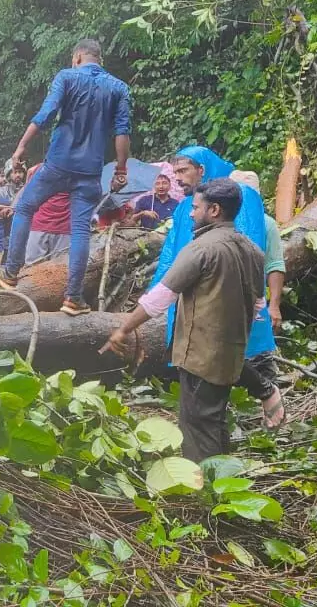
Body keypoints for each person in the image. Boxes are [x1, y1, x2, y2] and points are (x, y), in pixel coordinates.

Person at [101, 179, 269, 462]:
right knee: (214, 421)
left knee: (196, 428)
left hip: (200, 356)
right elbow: (257, 305)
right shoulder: (253, 251)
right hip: (231, 355)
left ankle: (205, 493)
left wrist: (125, 329)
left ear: (214, 210)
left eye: (195, 207)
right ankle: (227, 486)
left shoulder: (201, 249)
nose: (191, 213)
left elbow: (161, 296)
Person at [154, 147, 285, 428]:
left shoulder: (240, 202)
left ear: (201, 169)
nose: (176, 178)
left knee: (231, 358)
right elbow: (171, 256)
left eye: (182, 171)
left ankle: (262, 404)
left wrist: (265, 302)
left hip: (220, 300)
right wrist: (158, 296)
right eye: (174, 171)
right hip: (198, 300)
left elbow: (253, 255)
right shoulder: (185, 208)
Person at [3, 39, 132, 316]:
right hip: (90, 173)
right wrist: (121, 169)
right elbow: (122, 131)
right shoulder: (119, 88)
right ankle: (73, 298)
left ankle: (11, 271)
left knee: (25, 206)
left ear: (77, 57)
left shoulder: (67, 77)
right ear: (99, 59)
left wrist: (22, 146)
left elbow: (47, 113)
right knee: (80, 230)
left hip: (58, 165)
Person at [231, 169, 287, 427]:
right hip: (226, 304)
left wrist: (274, 305)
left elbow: (274, 265)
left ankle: (274, 417)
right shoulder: (224, 221)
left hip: (255, 304)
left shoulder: (265, 224)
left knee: (261, 358)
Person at [18, 165, 72, 263]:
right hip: (45, 227)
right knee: (33, 270)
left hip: (61, 228)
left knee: (58, 271)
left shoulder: (38, 169)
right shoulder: (78, 171)